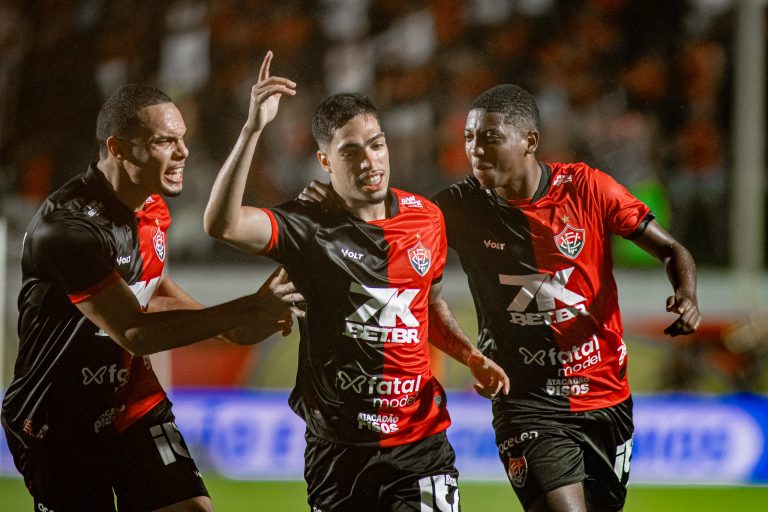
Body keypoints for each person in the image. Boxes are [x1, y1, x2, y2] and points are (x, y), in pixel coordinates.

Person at [302, 83, 702, 512]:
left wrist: (687, 294)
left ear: (530, 141)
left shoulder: (588, 188)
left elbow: (672, 249)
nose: (475, 150)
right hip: (525, 401)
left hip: (607, 394)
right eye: (469, 139)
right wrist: (335, 203)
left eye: (489, 138)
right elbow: (390, 224)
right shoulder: (459, 207)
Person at [203, 51, 509, 511]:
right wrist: (252, 131)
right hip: (337, 451)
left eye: (377, 144)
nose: (369, 160)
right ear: (325, 162)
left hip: (420, 445)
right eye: (350, 150)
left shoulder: (427, 219)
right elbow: (222, 224)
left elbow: (428, 306)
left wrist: (470, 355)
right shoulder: (308, 226)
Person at [1, 83, 304, 512]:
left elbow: (153, 292)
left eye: (183, 139)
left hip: (133, 406)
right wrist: (247, 308)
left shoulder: (151, 208)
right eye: (165, 141)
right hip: (57, 421)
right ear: (118, 148)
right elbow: (134, 330)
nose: (182, 153)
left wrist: (233, 328)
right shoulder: (68, 230)